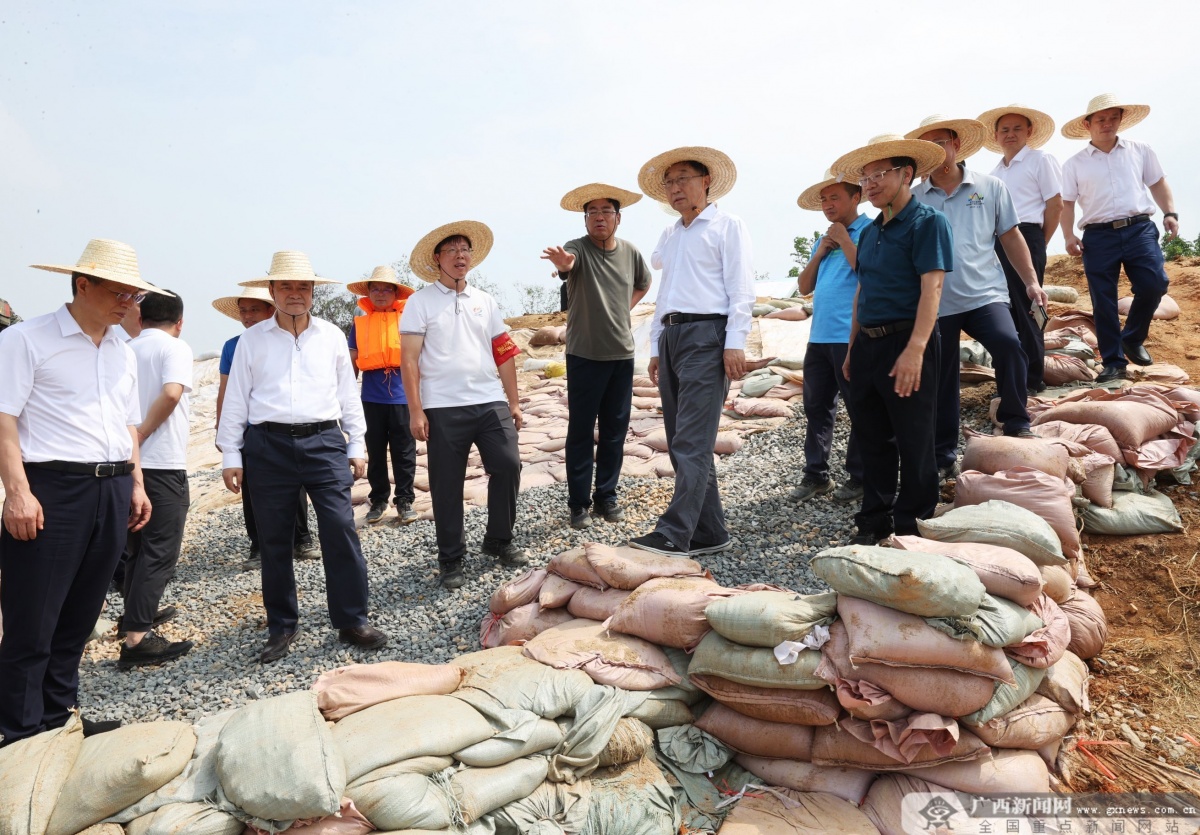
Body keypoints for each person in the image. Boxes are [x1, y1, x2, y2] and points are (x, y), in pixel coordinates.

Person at [0, 238, 164, 746]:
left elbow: (126, 424)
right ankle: (19, 734)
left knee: (80, 617)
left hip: (112, 488)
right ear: (82, 284)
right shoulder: (26, 340)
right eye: (118, 292)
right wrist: (18, 494)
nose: (127, 304)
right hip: (52, 489)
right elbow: (3, 419)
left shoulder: (122, 349)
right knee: (33, 621)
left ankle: (59, 721)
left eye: (134, 296)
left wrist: (135, 482)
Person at [217, 251, 387, 664]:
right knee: (274, 539)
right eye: (287, 286)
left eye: (303, 287)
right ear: (272, 290)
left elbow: (348, 394)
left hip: (324, 441)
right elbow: (236, 398)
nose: (296, 294)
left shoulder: (330, 336)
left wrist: (357, 443)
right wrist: (230, 454)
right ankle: (282, 626)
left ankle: (351, 618)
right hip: (267, 445)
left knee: (340, 527)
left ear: (313, 292)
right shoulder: (251, 341)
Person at [629, 146, 755, 557]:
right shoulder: (672, 234)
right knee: (682, 436)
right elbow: (667, 291)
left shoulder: (726, 225)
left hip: (708, 334)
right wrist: (654, 345)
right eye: (669, 182)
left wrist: (735, 341)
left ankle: (674, 531)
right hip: (672, 336)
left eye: (684, 178)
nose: (675, 188)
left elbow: (740, 287)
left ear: (706, 182)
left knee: (691, 441)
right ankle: (710, 532)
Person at [906, 115, 1048, 479]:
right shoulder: (915, 199)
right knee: (942, 376)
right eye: (929, 145)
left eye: (943, 141)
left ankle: (1016, 420)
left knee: (1009, 344)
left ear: (957, 143)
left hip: (986, 293)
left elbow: (1011, 236)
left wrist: (1031, 281)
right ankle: (942, 453)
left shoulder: (989, 187)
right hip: (936, 303)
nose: (938, 150)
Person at [829, 135, 952, 543]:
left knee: (915, 439)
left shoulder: (928, 222)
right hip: (867, 345)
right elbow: (862, 291)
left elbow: (932, 289)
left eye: (879, 174)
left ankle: (911, 527)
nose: (871, 183)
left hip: (907, 340)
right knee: (871, 438)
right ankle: (874, 522)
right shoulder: (868, 233)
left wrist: (916, 350)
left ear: (907, 174)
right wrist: (851, 348)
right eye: (865, 178)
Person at [400, 221, 529, 590]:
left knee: (508, 465)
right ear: (437, 259)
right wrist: (415, 410)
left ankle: (499, 540)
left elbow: (503, 353)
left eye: (465, 249)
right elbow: (409, 360)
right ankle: (451, 557)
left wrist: (514, 402)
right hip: (442, 407)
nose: (460, 255)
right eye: (452, 249)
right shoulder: (419, 303)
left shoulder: (485, 301)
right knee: (446, 483)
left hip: (489, 400)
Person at [541, 183, 652, 530]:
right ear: (585, 219)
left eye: (606, 211)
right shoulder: (577, 249)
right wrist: (563, 266)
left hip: (621, 354)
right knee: (580, 431)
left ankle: (607, 496)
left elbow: (644, 283)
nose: (599, 217)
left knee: (615, 430)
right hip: (584, 355)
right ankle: (578, 504)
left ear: (618, 218)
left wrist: (624, 308)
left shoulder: (631, 252)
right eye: (592, 212)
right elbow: (567, 266)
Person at [1060, 94, 1177, 384]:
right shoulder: (1074, 164)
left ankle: (1133, 337)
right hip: (1097, 236)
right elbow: (1067, 203)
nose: (1107, 123)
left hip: (1139, 228)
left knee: (1155, 284)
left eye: (1113, 118)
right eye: (1101, 119)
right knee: (1104, 301)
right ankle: (1113, 363)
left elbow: (1158, 183)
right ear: (1087, 124)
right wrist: (1068, 235)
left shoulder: (1140, 150)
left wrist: (1170, 213)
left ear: (1121, 121)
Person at [212, 287, 319, 569]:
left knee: (295, 484)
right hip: (249, 430)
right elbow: (226, 390)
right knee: (252, 489)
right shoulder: (232, 346)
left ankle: (301, 538)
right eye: (243, 311)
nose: (247, 316)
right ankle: (258, 544)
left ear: (270, 309)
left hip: (283, 427)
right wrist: (222, 430)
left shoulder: (289, 341)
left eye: (254, 310)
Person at [118, 289, 196, 668]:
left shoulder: (125, 347)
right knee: (159, 550)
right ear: (179, 321)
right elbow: (171, 393)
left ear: (141, 317)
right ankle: (137, 639)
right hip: (162, 463)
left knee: (136, 547)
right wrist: (144, 431)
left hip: (126, 466)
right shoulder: (174, 347)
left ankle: (132, 618)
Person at [789, 169, 868, 504]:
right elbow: (804, 287)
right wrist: (821, 250)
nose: (827, 204)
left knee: (859, 407)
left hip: (848, 336)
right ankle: (816, 474)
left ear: (856, 197)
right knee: (816, 407)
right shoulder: (824, 240)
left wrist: (846, 241)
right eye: (823, 199)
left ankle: (860, 477)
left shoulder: (870, 231)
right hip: (819, 337)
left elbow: (869, 273)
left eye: (835, 197)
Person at [978, 104, 1063, 393]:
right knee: (1005, 308)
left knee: (1029, 307)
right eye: (1004, 129)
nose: (1010, 134)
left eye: (1017, 128)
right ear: (996, 135)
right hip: (996, 242)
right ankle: (1010, 375)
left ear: (1029, 131)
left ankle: (1031, 379)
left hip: (1027, 234)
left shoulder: (1041, 160)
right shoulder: (992, 174)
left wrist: (1040, 241)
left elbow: (1055, 205)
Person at [346, 266, 418, 526]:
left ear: (396, 293)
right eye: (374, 289)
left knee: (404, 450)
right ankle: (378, 500)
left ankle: (405, 499)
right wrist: (346, 395)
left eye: (386, 289)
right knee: (375, 451)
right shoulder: (360, 324)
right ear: (368, 293)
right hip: (371, 397)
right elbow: (353, 360)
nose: (380, 293)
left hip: (403, 395)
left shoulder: (409, 319)